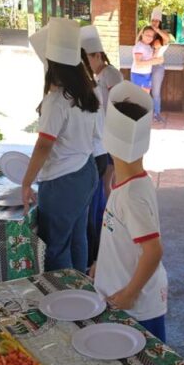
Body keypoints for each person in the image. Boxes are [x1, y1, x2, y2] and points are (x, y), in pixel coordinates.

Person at [21, 19, 101, 273]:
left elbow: (44, 145)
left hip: (62, 181)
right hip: (86, 171)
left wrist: (26, 182)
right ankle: (81, 289)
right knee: (77, 237)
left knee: (56, 247)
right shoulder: (87, 94)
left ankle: (64, 294)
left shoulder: (56, 101)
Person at [94, 81, 169, 342]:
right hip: (126, 295)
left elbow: (153, 251)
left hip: (138, 306)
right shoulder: (130, 184)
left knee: (144, 361)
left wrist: (130, 293)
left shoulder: (131, 195)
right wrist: (103, 264)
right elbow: (122, 235)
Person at [81, 25, 122, 264]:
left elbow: (117, 107)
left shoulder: (111, 75)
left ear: (98, 55)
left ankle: (110, 230)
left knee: (107, 187)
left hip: (109, 138)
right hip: (102, 138)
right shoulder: (97, 77)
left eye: (87, 57)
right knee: (103, 188)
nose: (86, 62)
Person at [149, 6, 174, 123]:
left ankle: (157, 113)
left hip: (157, 66)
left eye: (157, 21)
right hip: (146, 65)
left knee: (155, 92)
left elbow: (167, 39)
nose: (154, 22)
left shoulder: (162, 33)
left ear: (160, 22)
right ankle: (146, 113)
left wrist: (157, 30)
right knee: (145, 90)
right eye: (153, 20)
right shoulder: (147, 32)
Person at [130, 26, 163, 93]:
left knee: (145, 96)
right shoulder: (139, 46)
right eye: (147, 35)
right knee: (141, 97)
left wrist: (157, 49)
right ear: (142, 34)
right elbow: (138, 64)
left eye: (151, 36)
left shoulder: (148, 46)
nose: (149, 37)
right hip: (139, 74)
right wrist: (155, 62)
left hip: (146, 74)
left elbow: (152, 58)